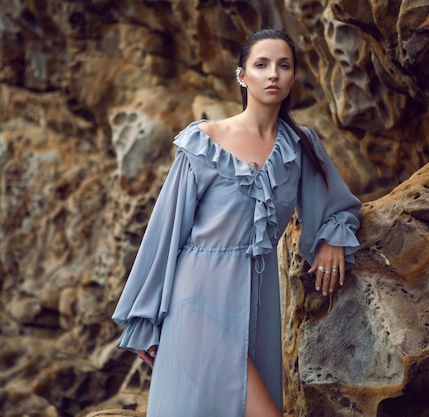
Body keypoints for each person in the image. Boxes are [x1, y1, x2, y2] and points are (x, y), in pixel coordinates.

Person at [111, 28, 361, 417]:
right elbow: (164, 232)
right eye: (261, 65)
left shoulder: (301, 145)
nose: (273, 74)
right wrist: (147, 315)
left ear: (294, 77)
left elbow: (337, 207)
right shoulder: (206, 140)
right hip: (196, 298)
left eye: (284, 65)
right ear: (242, 75)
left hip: (259, 301)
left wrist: (331, 239)